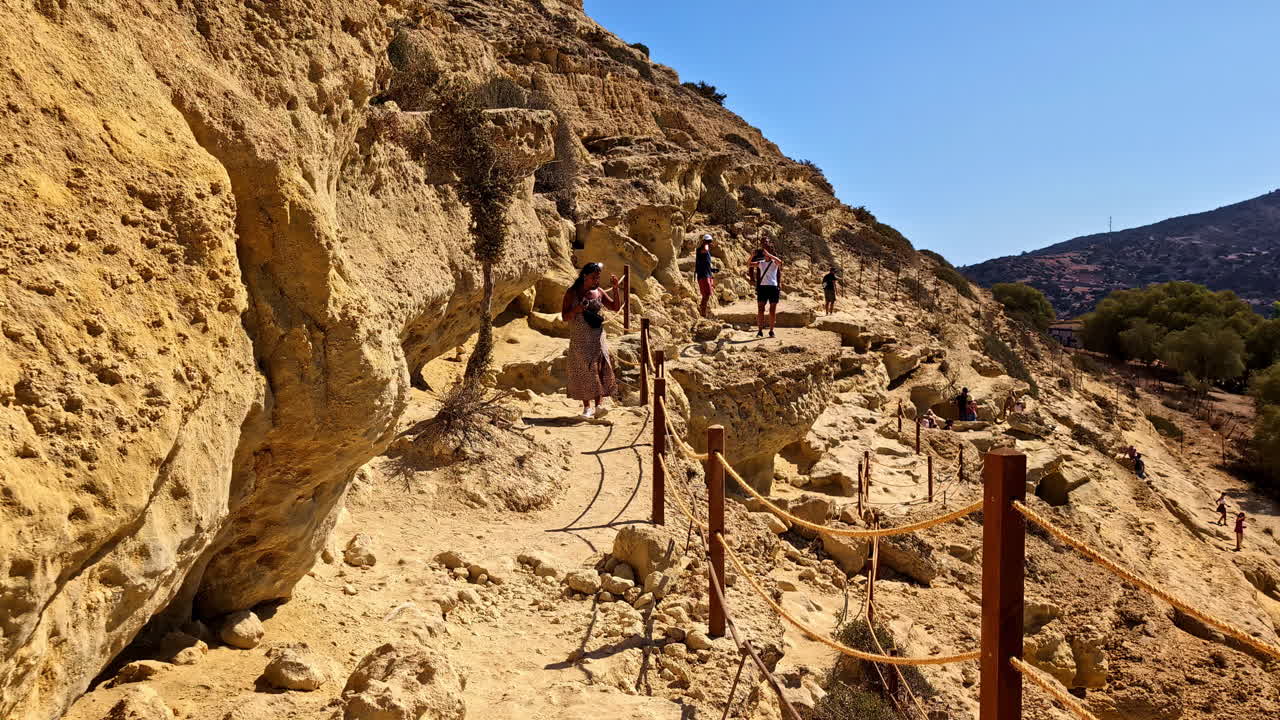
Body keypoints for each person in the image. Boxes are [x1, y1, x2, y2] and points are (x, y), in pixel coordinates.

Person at [561, 262, 622, 419]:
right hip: (580, 337)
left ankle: (599, 406)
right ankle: (587, 408)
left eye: (598, 277)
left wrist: (615, 288)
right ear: (584, 276)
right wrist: (576, 310)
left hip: (597, 336)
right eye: (594, 277)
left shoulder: (599, 292)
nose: (597, 280)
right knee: (583, 371)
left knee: (599, 368)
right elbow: (564, 317)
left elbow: (615, 307)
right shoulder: (572, 293)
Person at [753, 239, 784, 338]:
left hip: (772, 286)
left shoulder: (772, 253)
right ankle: (760, 330)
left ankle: (771, 330)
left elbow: (779, 265)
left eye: (766, 241)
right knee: (761, 309)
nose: (765, 243)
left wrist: (779, 283)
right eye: (764, 241)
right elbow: (751, 266)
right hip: (762, 285)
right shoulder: (759, 256)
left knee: (772, 309)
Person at [695, 233, 716, 318]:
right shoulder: (700, 250)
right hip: (703, 275)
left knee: (707, 295)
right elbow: (705, 249)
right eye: (707, 241)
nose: (709, 243)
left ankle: (704, 312)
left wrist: (712, 270)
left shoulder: (707, 253)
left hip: (707, 274)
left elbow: (705, 264)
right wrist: (706, 243)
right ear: (703, 242)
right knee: (706, 295)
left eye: (710, 241)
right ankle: (703, 312)